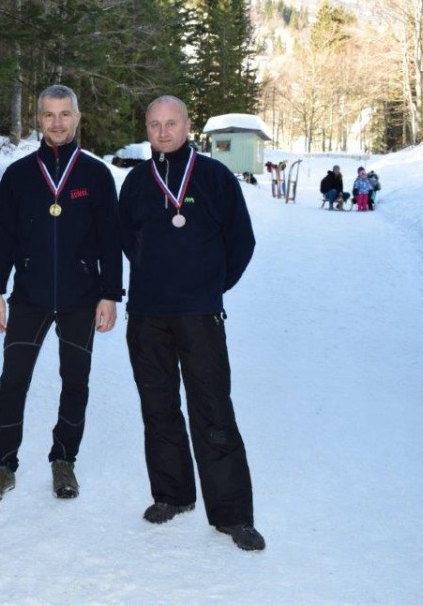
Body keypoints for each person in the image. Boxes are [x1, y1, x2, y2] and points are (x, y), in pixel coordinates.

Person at [117, 95, 264, 552]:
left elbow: (241, 241)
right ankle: (172, 495)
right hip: (147, 316)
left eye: (171, 123)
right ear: (147, 127)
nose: (163, 132)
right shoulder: (137, 182)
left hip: (200, 316)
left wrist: (210, 286)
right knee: (158, 410)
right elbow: (126, 239)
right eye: (155, 124)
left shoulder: (215, 177)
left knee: (212, 409)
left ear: (188, 125)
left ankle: (232, 514)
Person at [0, 84, 124, 503]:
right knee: (12, 382)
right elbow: (1, 238)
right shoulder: (20, 176)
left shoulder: (95, 175)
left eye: (65, 114)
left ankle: (64, 461)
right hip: (30, 297)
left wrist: (110, 293)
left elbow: (111, 241)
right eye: (48, 115)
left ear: (78, 118)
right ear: (38, 120)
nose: (57, 123)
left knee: (75, 380)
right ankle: (1, 466)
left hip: (81, 297)